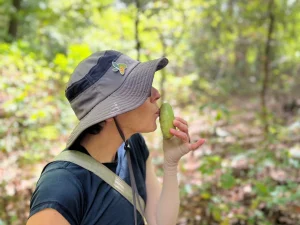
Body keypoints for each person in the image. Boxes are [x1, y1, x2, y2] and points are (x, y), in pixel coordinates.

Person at [26, 50, 205, 225]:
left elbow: (159, 221)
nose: (156, 93)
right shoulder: (62, 186)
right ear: (111, 112)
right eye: (140, 88)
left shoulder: (133, 146)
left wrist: (171, 164)